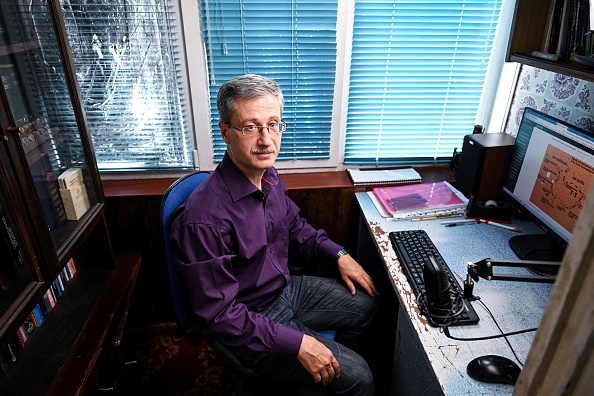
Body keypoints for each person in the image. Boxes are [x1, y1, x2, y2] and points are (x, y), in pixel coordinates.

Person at [170, 74, 380, 395]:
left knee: (367, 303)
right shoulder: (203, 219)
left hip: (284, 291)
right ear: (226, 132)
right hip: (246, 319)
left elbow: (294, 223)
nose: (266, 139)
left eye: (273, 124)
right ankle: (325, 373)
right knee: (361, 377)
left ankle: (319, 380)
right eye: (251, 127)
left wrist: (340, 254)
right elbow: (220, 316)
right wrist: (299, 343)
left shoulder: (267, 175)